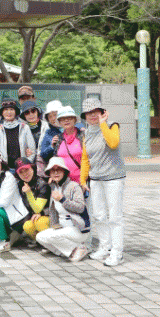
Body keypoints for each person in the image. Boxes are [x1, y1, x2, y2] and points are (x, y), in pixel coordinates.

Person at [80, 97, 126, 267]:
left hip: (114, 177)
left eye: (96, 112)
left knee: (115, 216)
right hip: (96, 179)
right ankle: (105, 247)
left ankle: (117, 252)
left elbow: (113, 143)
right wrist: (83, 179)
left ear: (102, 112)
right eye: (89, 113)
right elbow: (86, 158)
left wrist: (103, 124)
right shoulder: (86, 133)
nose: (92, 115)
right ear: (85, 116)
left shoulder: (112, 125)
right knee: (99, 215)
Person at [36, 157, 90, 262]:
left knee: (52, 237)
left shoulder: (74, 186)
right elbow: (53, 209)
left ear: (64, 171)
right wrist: (41, 213)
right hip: (62, 228)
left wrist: (62, 199)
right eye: (52, 170)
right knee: (39, 237)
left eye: (59, 170)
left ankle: (79, 249)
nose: (56, 173)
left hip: (77, 229)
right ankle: (65, 252)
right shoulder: (54, 187)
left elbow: (80, 208)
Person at [0, 99, 36, 171]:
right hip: (6, 169)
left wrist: (26, 164)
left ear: (15, 112)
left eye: (11, 109)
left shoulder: (24, 128)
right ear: (2, 113)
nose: (9, 112)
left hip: (23, 169)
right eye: (6, 109)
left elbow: (32, 150)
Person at [15, 157, 50, 243]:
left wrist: (29, 193)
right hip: (33, 216)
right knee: (27, 226)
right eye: (21, 172)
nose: (25, 174)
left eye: (27, 170)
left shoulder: (42, 184)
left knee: (40, 222)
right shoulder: (19, 184)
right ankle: (41, 242)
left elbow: (37, 209)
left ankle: (50, 243)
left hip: (49, 215)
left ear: (33, 168)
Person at [51, 106, 84, 183]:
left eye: (69, 118)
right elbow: (56, 160)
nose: (66, 120)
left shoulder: (83, 136)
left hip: (82, 181)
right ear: (59, 122)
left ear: (75, 120)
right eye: (62, 119)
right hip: (63, 182)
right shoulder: (58, 138)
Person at [39, 100, 63, 178]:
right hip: (57, 170)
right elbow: (43, 154)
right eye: (50, 116)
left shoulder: (72, 128)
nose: (53, 118)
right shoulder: (49, 133)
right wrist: (51, 146)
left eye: (55, 115)